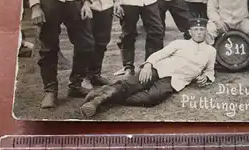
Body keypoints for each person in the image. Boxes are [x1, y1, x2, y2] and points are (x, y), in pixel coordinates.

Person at [79, 17, 216, 117]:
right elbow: (159, 54)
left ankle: (105, 93)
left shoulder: (211, 51)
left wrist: (206, 77)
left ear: (205, 32)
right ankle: (97, 101)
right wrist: (148, 65)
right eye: (196, 30)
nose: (199, 32)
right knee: (132, 85)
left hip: (175, 81)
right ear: (190, 32)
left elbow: (210, 71)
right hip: (159, 69)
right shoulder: (179, 43)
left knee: (151, 99)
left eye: (202, 30)